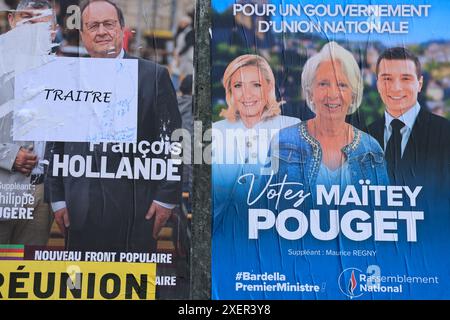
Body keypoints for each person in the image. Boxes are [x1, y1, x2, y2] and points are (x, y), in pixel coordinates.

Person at [45, 0, 182, 252]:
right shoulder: (67, 78)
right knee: (82, 288)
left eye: (108, 24)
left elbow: (174, 142)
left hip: (138, 210)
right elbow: (56, 144)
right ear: (83, 34)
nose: (101, 31)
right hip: (79, 209)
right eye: (93, 26)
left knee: (134, 289)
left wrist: (166, 198)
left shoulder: (153, 77)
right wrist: (57, 199)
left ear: (122, 29)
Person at [271, 42, 389, 193]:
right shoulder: (284, 141)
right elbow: (262, 207)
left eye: (342, 85)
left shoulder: (371, 150)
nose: (333, 94)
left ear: (353, 96)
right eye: (323, 84)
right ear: (310, 93)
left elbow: (384, 210)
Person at [0, 0, 55, 245]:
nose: (33, 22)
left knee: (27, 274)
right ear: (11, 20)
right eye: (26, 15)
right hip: (3, 187)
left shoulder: (61, 69)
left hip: (41, 195)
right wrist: (8, 156)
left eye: (40, 16)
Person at [367, 47, 450, 190]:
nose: (396, 88)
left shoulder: (445, 132)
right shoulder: (365, 137)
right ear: (378, 84)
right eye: (387, 79)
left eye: (405, 78)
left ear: (420, 84)